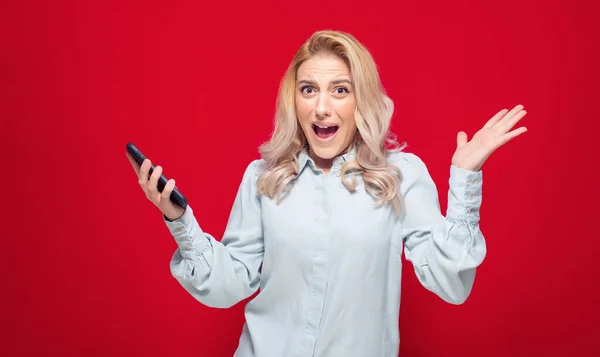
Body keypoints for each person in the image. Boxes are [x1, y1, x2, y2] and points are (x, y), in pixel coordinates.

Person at [126, 30, 527, 357]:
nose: (321, 107)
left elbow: (451, 284)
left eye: (339, 90)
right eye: (308, 89)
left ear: (361, 100)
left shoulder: (400, 176)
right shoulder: (263, 178)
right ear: (293, 100)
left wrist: (465, 179)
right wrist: (179, 220)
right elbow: (229, 283)